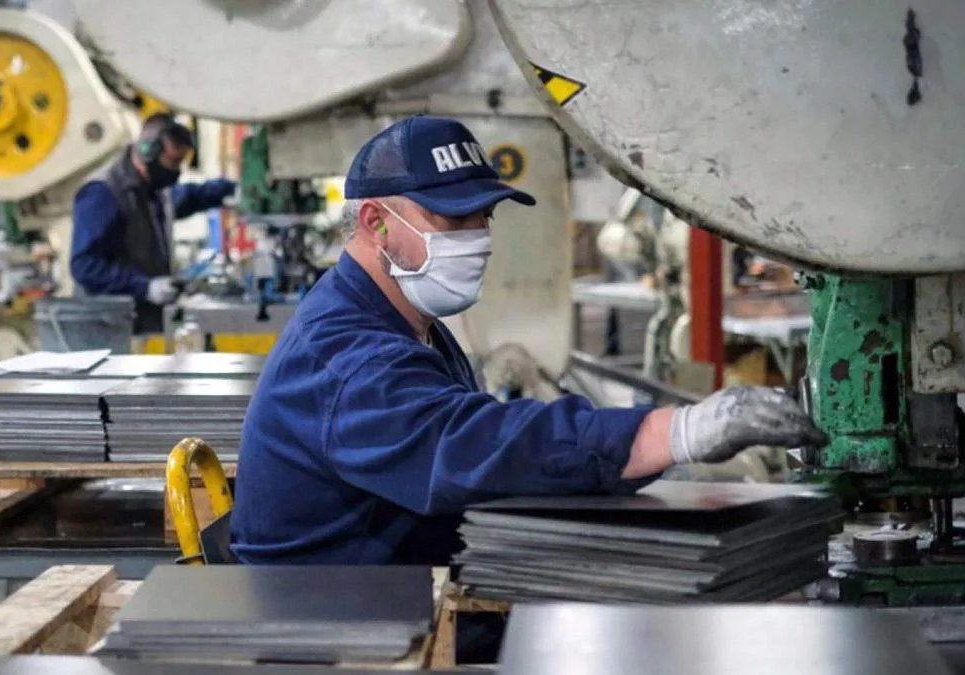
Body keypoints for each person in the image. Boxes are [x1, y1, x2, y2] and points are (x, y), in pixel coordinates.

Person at [230, 115, 827, 566]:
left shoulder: (406, 320)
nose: (479, 238)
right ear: (375, 223)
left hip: (404, 569)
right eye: (453, 219)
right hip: (341, 619)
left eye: (484, 216)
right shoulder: (346, 358)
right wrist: (678, 432)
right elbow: (469, 445)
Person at [71, 115, 237, 333]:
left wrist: (232, 189)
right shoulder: (103, 193)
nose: (176, 173)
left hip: (145, 321)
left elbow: (189, 197)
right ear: (149, 152)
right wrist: (145, 287)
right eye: (173, 163)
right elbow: (84, 267)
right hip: (110, 328)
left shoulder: (153, 190)